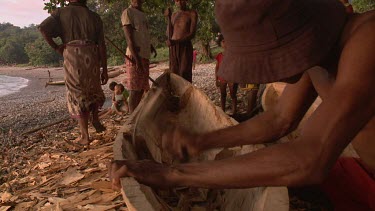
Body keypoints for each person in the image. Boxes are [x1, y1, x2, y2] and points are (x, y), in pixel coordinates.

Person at [110, 0, 375, 209]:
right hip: (363, 175)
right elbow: (279, 119)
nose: (272, 72)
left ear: (301, 34)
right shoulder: (318, 49)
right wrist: (202, 140)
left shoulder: (368, 39)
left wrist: (174, 174)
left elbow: (310, 159)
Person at [39, 0, 108, 147]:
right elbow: (102, 44)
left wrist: (57, 47)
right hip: (92, 55)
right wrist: (105, 69)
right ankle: (95, 119)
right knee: (93, 89)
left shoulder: (61, 12)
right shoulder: (94, 16)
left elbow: (43, 28)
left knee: (77, 95)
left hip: (73, 56)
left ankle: (85, 136)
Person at [121, 0, 157, 113]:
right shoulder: (128, 12)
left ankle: (136, 114)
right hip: (134, 56)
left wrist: (150, 46)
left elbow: (143, 34)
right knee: (134, 89)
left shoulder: (142, 14)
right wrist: (136, 60)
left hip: (144, 55)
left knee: (141, 88)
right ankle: (132, 118)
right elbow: (129, 39)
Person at [165, 0, 198, 83]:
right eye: (177, 0)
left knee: (184, 72)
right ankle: (176, 95)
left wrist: (176, 41)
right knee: (174, 73)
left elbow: (192, 34)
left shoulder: (192, 14)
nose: (179, 3)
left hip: (185, 46)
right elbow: (169, 33)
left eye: (182, 0)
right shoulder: (173, 15)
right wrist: (168, 18)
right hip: (173, 48)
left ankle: (186, 94)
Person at [215, 36, 238, 114]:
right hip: (222, 78)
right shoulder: (219, 55)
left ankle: (234, 112)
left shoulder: (234, 55)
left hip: (232, 77)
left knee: (233, 94)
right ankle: (223, 111)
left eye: (227, 41)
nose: (225, 43)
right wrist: (216, 79)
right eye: (223, 41)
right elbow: (217, 68)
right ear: (220, 43)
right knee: (223, 94)